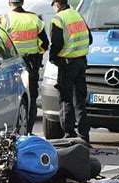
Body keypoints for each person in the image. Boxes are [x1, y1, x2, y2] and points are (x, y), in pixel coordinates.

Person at [0, 0, 49, 135]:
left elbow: (0, 47)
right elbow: (45, 43)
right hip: (31, 66)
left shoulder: (5, 19)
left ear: (10, 3)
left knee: (10, 100)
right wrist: (37, 56)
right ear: (22, 2)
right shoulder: (34, 18)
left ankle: (9, 133)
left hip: (11, 67)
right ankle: (28, 132)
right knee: (31, 99)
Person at [49, 0, 92, 143]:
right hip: (81, 63)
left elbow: (57, 43)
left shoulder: (59, 18)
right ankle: (84, 136)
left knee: (65, 99)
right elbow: (89, 39)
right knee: (79, 100)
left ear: (57, 4)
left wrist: (52, 57)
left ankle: (69, 135)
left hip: (67, 64)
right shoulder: (78, 15)